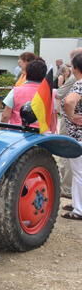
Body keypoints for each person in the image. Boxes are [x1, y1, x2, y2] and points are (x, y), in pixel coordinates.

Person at [55, 48, 82, 199]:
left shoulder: (77, 82)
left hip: (76, 132)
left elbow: (67, 99)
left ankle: (74, 200)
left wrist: (71, 116)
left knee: (76, 169)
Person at [61, 53, 82, 220]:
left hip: (78, 136)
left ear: (75, 68)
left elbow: (69, 102)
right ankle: (76, 203)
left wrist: (71, 116)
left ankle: (79, 210)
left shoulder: (79, 85)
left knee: (79, 172)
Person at [0, 58, 47, 126]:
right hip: (41, 131)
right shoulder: (49, 93)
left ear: (27, 73)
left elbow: (5, 116)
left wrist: (3, 130)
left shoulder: (15, 91)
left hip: (17, 129)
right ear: (44, 75)